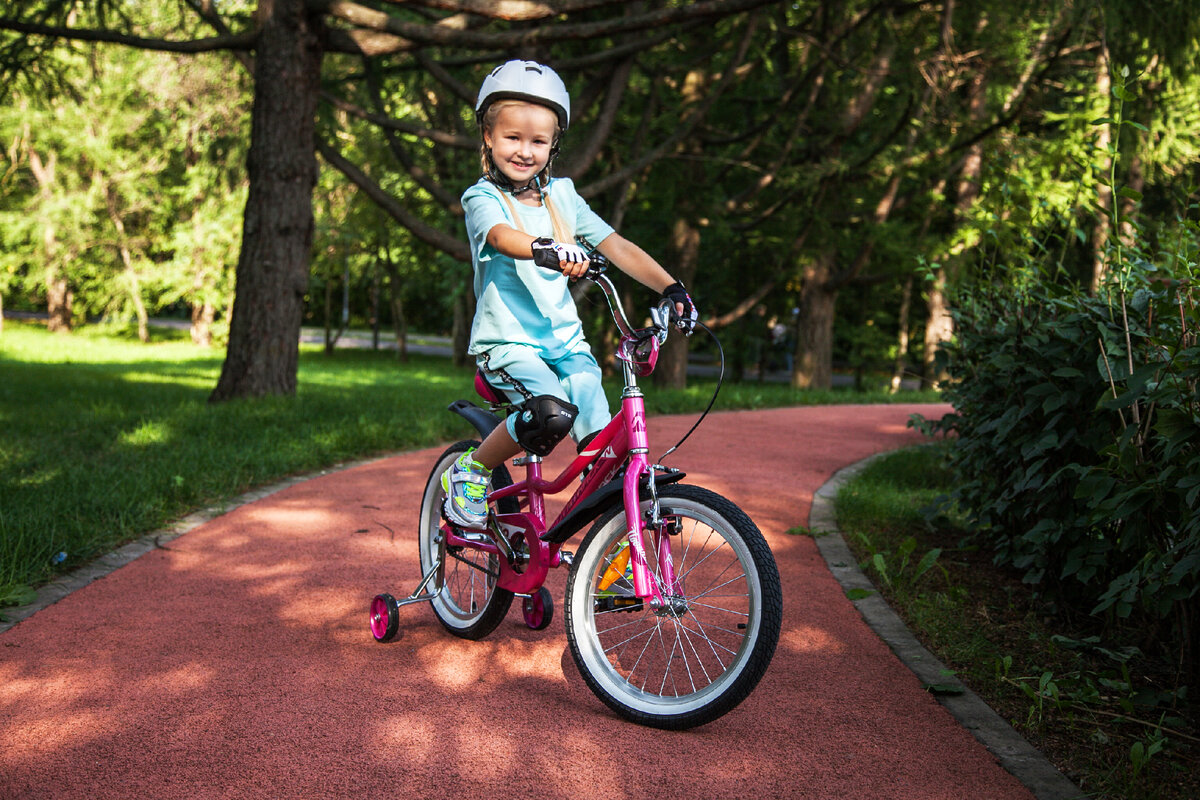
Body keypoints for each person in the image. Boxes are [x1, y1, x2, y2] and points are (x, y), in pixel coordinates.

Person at [441, 59, 699, 529]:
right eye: (512, 137)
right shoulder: (483, 198)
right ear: (488, 137)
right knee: (550, 413)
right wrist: (544, 248)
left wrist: (670, 286)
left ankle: (615, 544)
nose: (525, 150)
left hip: (566, 345)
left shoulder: (563, 197)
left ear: (553, 144)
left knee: (604, 443)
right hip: (508, 345)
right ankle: (470, 471)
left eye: (538, 141)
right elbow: (500, 237)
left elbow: (615, 245)